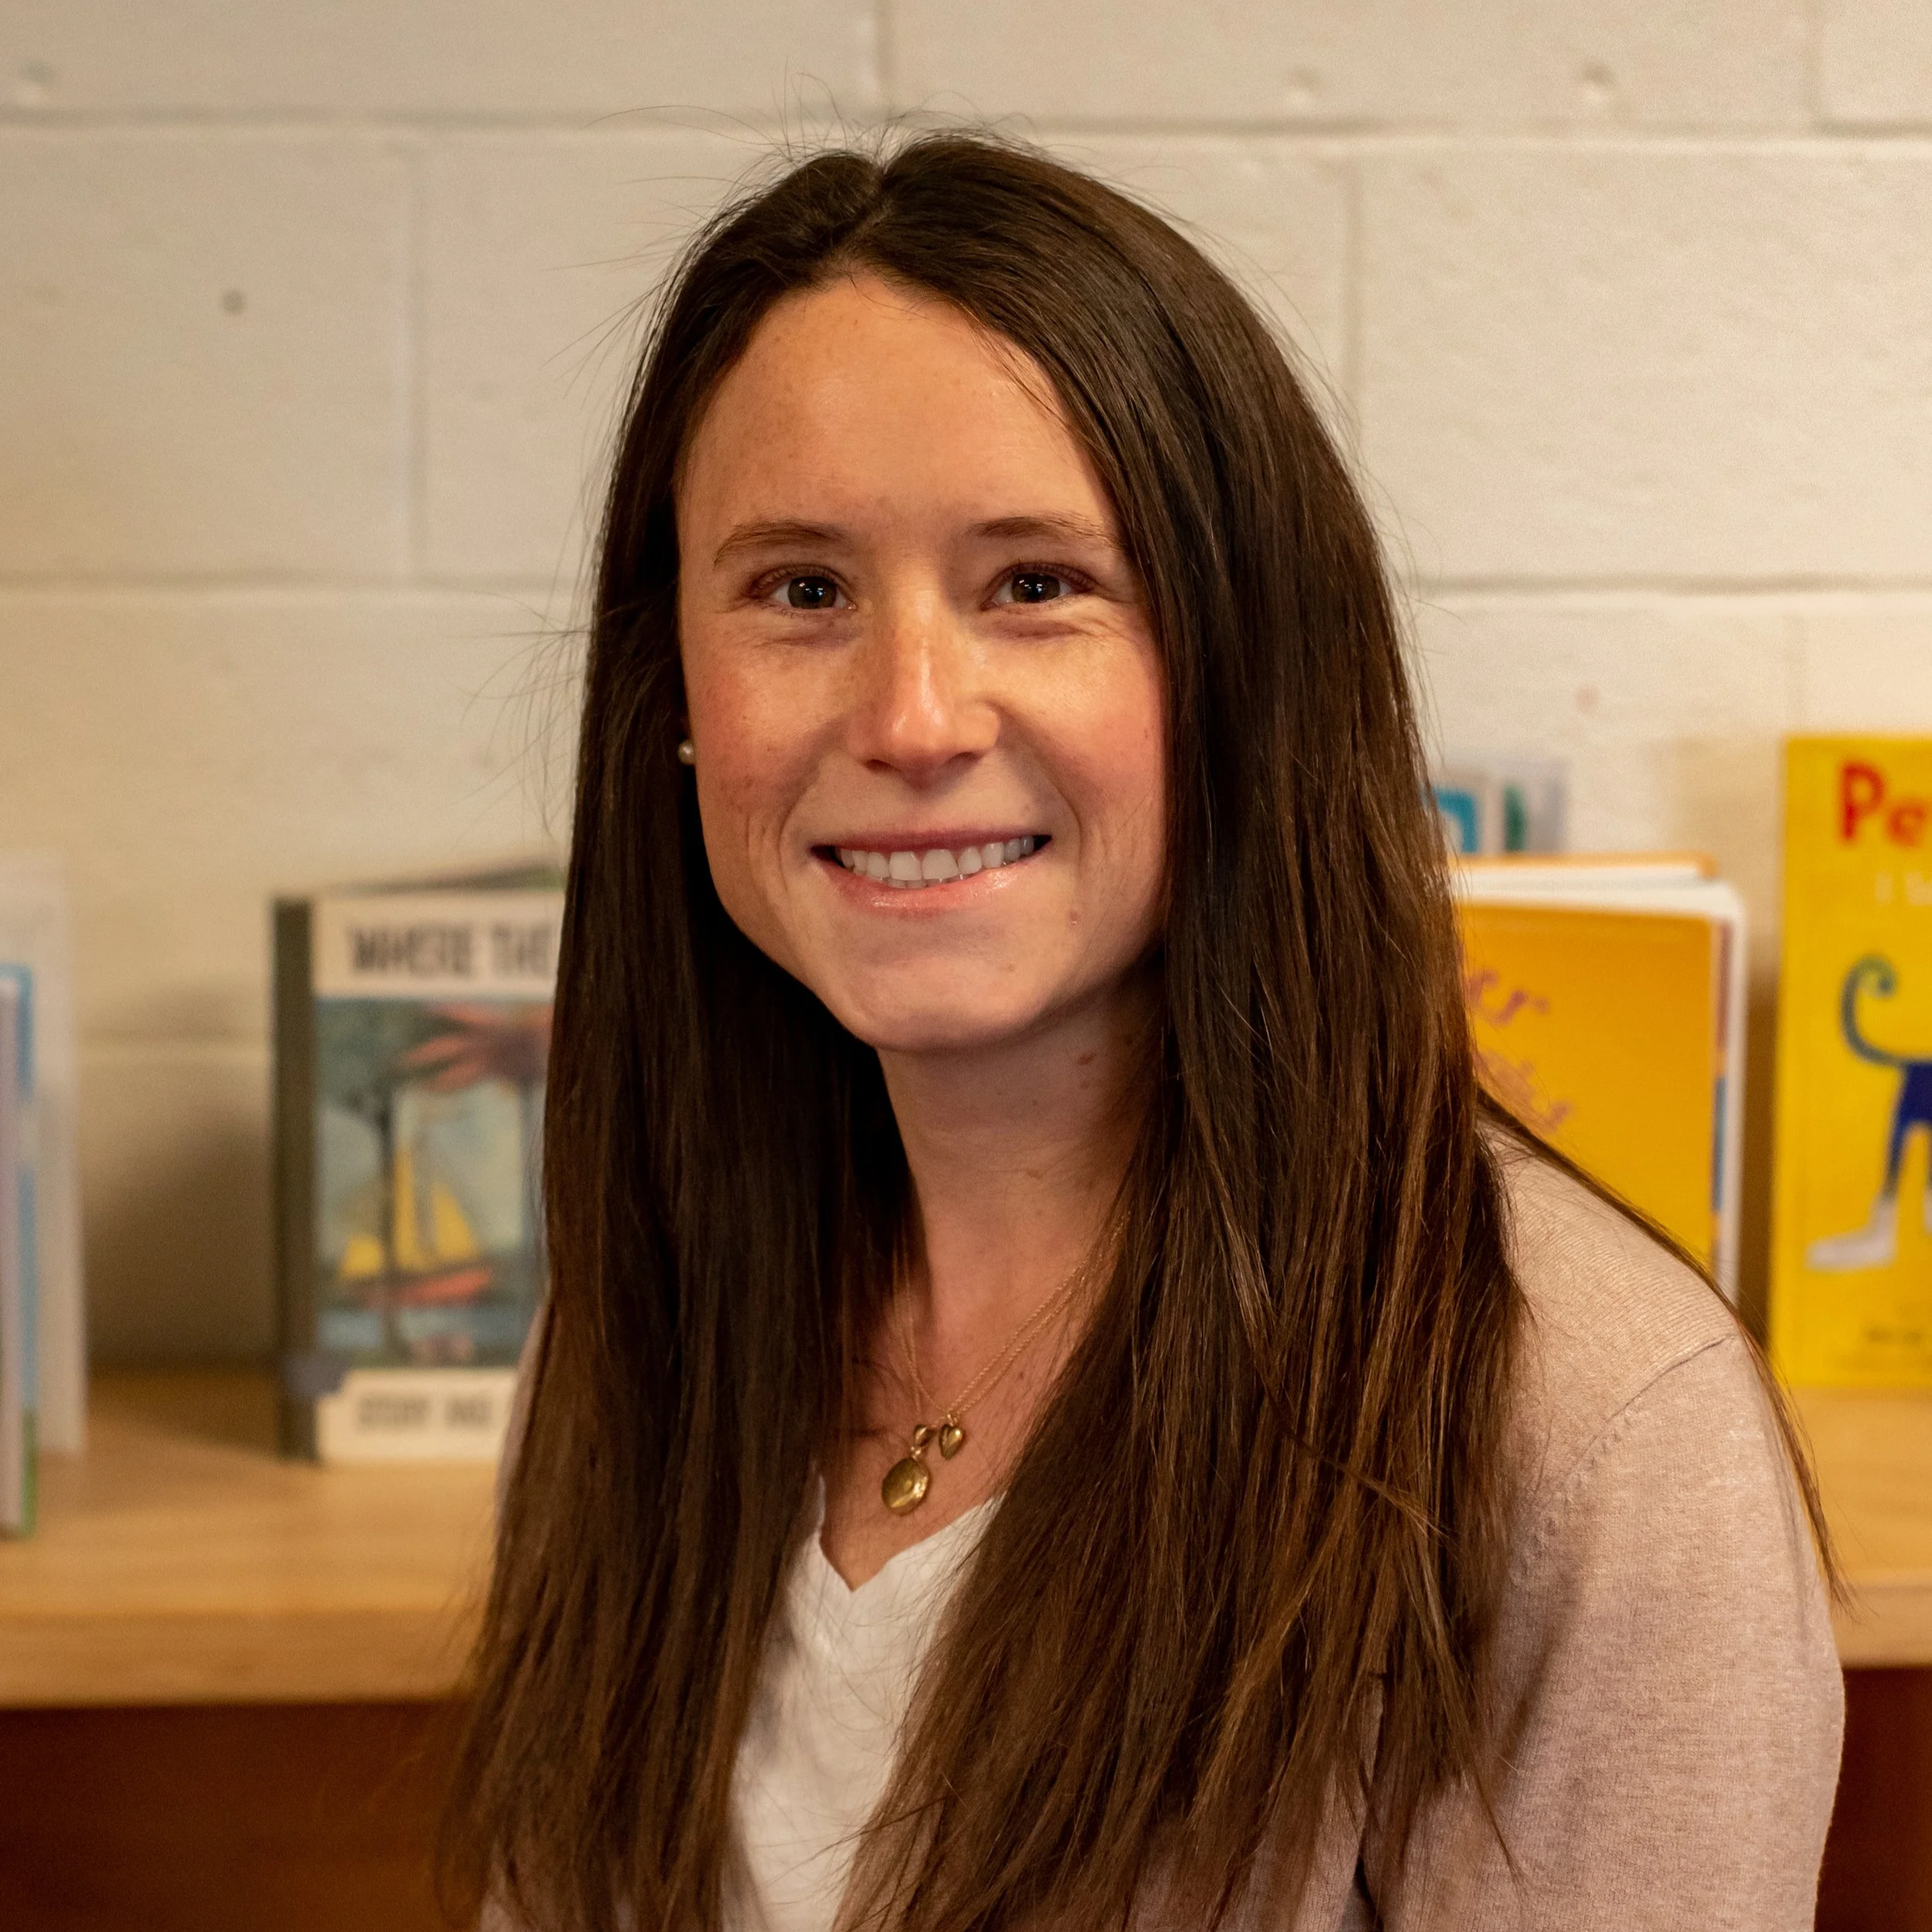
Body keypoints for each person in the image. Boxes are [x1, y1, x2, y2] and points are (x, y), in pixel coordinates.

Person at [445, 132, 1843, 1932]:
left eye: (1034, 582)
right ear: (677, 704)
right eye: (800, 589)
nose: (911, 712)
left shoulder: (1587, 1433)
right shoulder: (639, 1302)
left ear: (1243, 671)